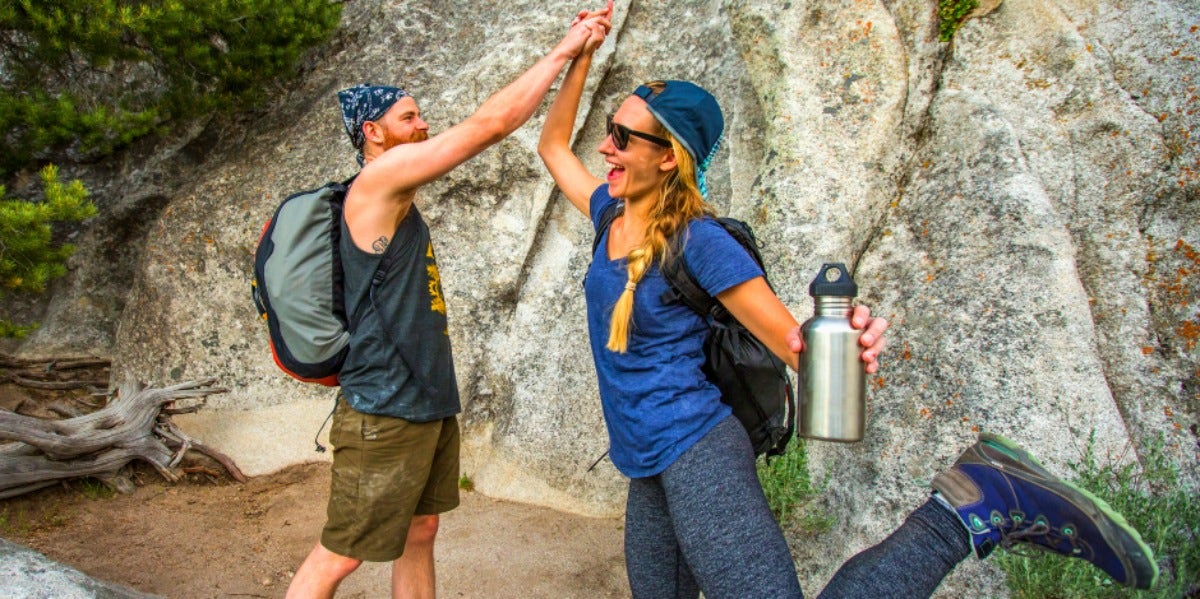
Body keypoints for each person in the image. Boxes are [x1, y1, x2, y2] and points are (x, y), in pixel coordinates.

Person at [536, 16, 1159, 598]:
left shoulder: (701, 241)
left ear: (668, 155)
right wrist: (580, 55)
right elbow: (553, 147)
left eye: (622, 137)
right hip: (645, 460)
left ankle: (968, 507)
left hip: (698, 451)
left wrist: (842, 336)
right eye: (610, 133)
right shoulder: (609, 216)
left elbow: (792, 343)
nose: (606, 149)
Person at [284, 7, 613, 599]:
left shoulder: (398, 189)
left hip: (423, 397)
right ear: (373, 133)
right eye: (408, 117)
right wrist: (564, 49)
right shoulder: (379, 181)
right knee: (340, 554)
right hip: (384, 402)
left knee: (421, 529)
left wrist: (582, 55)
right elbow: (489, 125)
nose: (423, 124)